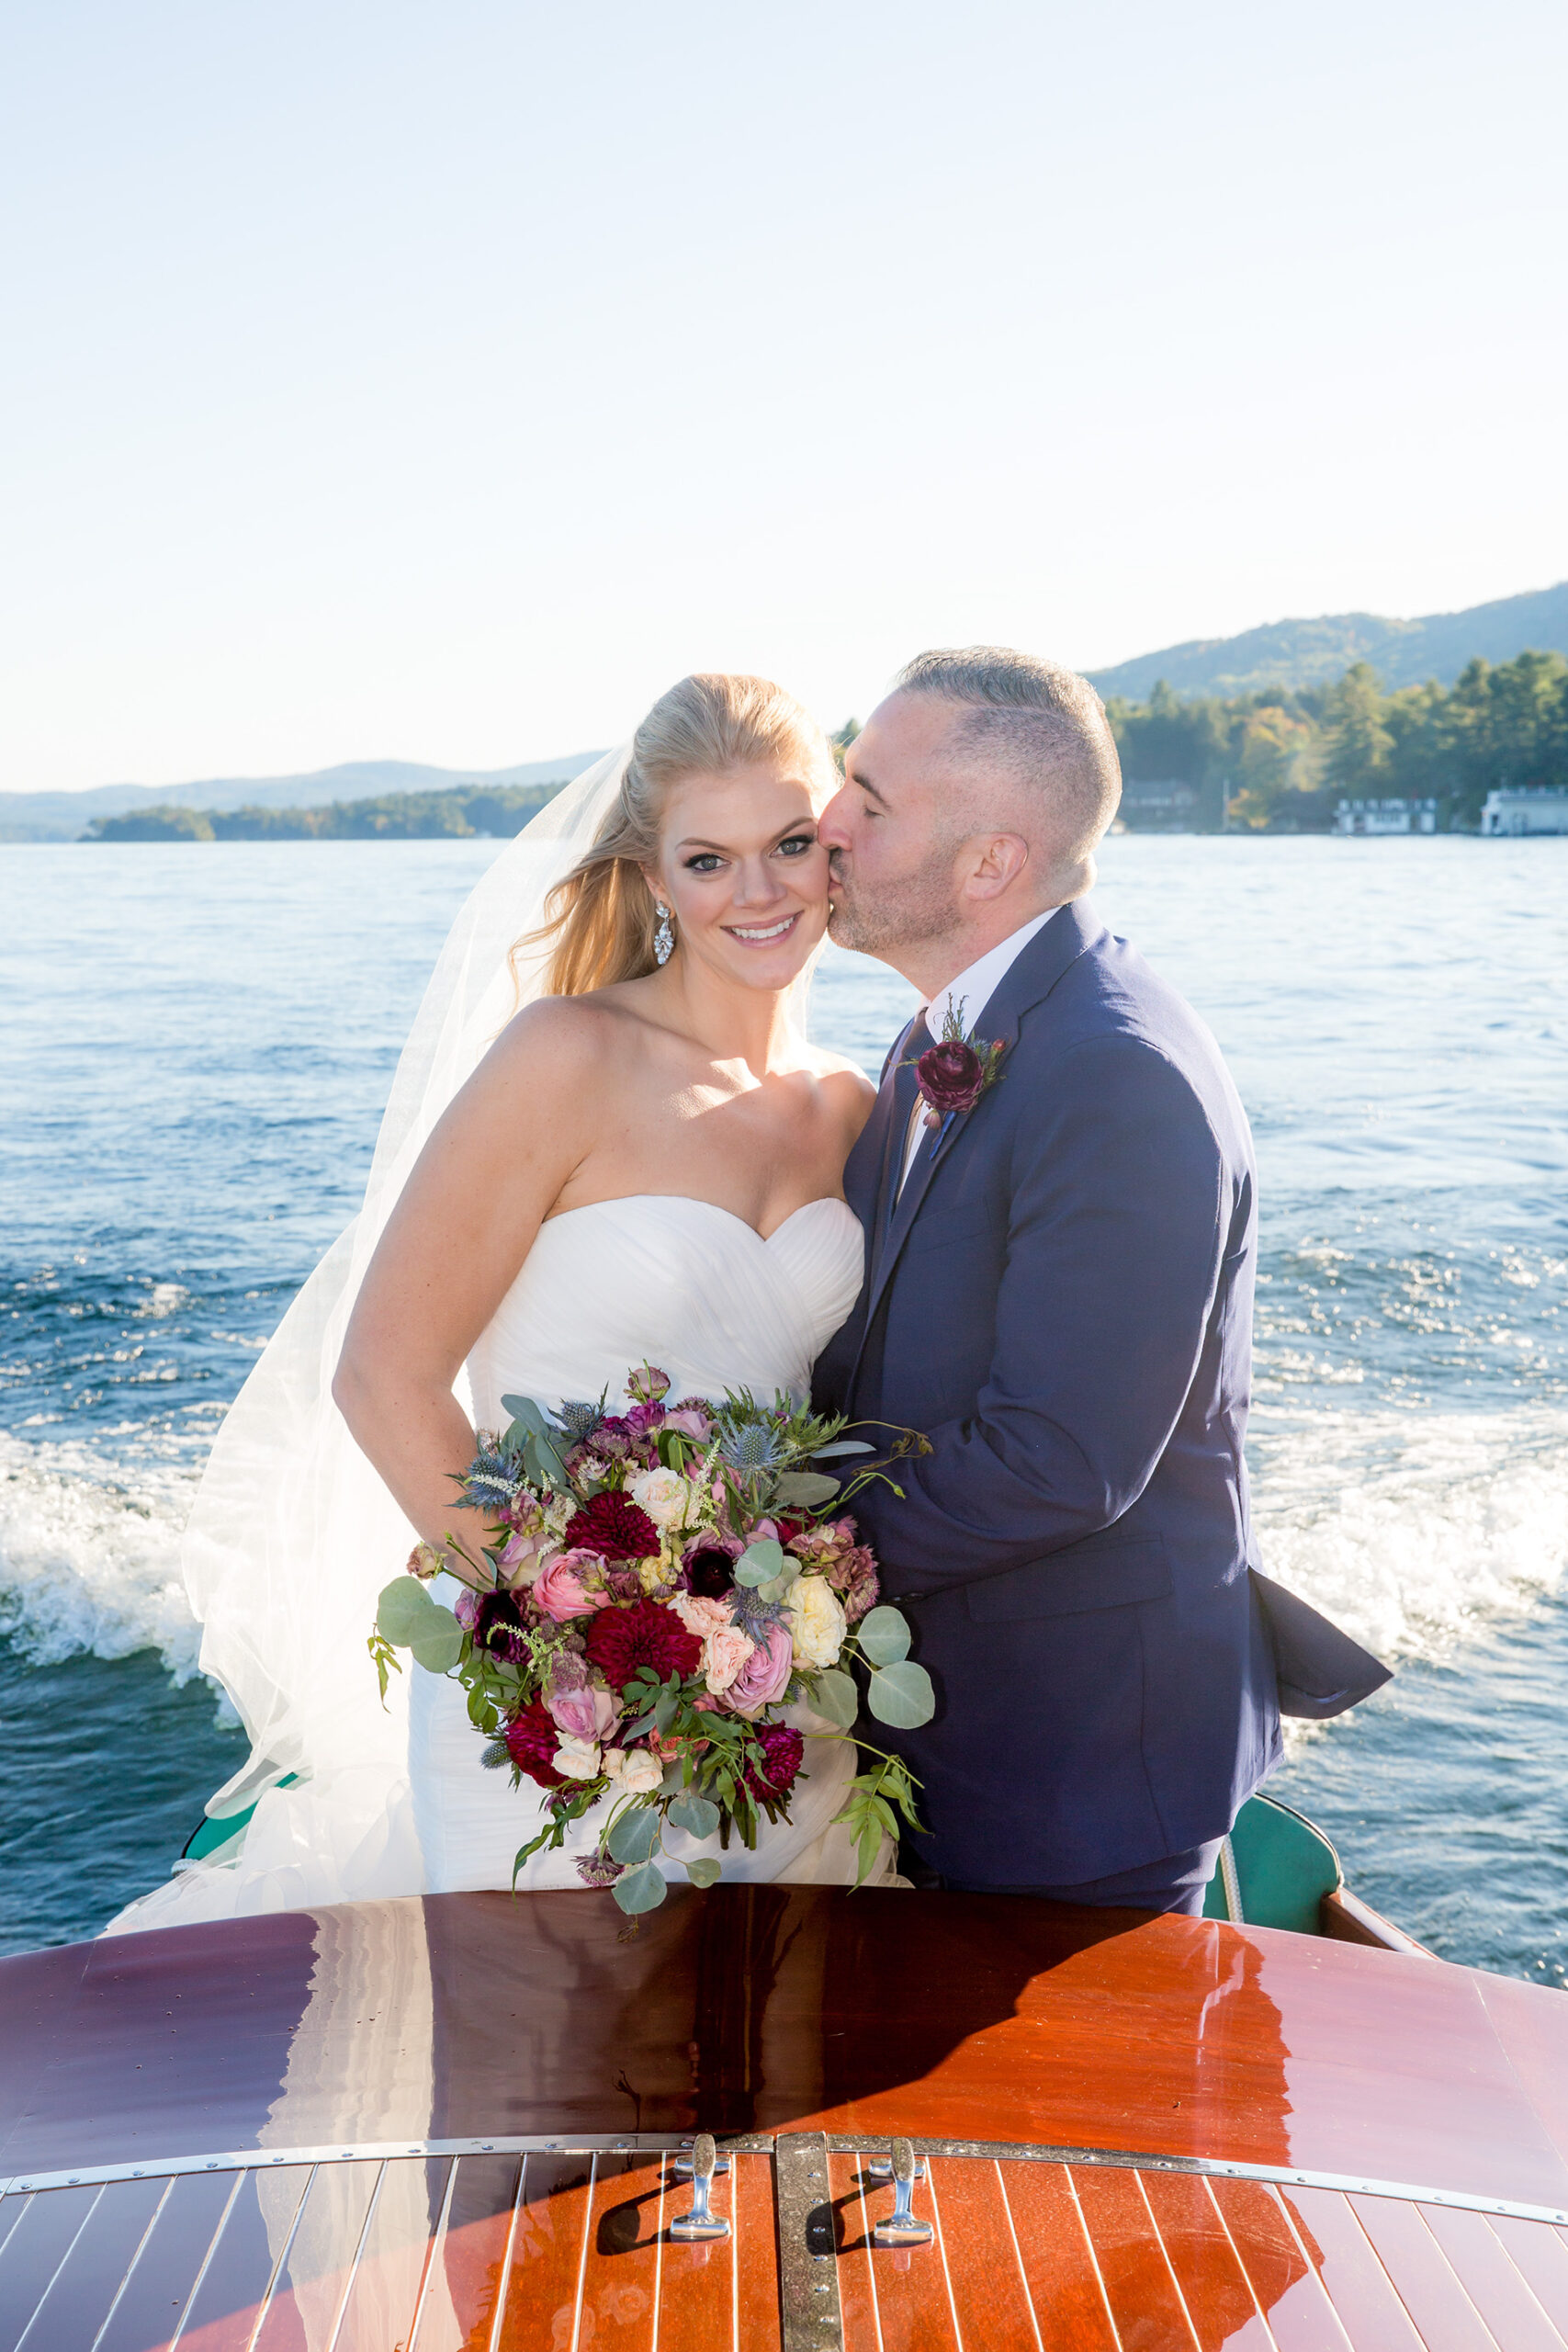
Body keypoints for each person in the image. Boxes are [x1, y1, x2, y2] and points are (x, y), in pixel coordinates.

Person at [105, 675, 890, 1932]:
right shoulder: (564, 1058)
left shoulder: (860, 1105)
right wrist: (572, 1650)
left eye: (790, 844)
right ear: (650, 876)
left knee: (786, 2080)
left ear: (837, 845)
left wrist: (749, 1645)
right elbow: (385, 1373)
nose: (760, 892)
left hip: (782, 1701)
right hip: (556, 1715)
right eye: (710, 858)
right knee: (545, 2092)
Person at [813, 646, 1282, 1914]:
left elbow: (1058, 1458)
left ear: (989, 863)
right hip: (926, 1730)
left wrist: (767, 1550)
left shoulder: (1115, 1071)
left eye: (869, 796)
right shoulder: (951, 1025)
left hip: (1072, 1778)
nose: (826, 824)